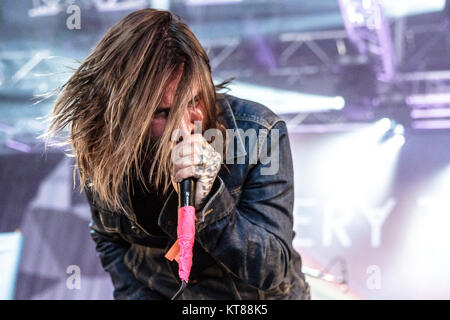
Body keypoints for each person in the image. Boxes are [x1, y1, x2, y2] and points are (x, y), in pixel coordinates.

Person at [43, 8, 310, 300]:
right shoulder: (104, 144)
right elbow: (109, 237)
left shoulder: (258, 133)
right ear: (127, 115)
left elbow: (272, 269)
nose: (185, 126)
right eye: (163, 112)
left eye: (195, 100)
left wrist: (210, 201)